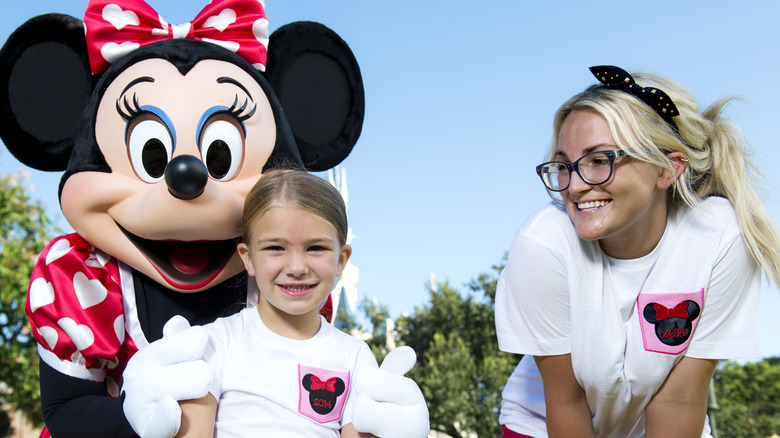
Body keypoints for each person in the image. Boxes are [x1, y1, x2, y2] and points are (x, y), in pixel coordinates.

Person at [495, 65, 780, 438]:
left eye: (600, 160)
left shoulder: (721, 236)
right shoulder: (544, 241)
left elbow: (679, 401)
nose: (576, 186)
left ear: (668, 169)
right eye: (565, 165)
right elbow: (567, 401)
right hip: (545, 424)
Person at [175, 169, 381, 437]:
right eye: (275, 248)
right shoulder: (214, 343)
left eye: (315, 248)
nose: (296, 268)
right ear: (248, 258)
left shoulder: (355, 357)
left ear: (341, 259)